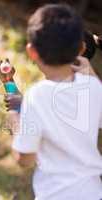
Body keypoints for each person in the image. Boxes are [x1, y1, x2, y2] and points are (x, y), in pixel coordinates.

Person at [6, 4, 102, 200]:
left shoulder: (37, 95)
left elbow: (25, 159)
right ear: (81, 48)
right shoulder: (93, 87)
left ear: (32, 52)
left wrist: (14, 121)